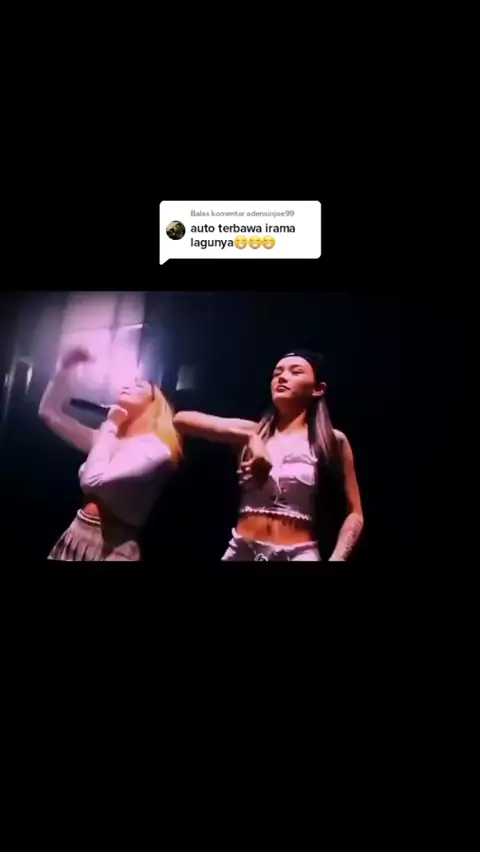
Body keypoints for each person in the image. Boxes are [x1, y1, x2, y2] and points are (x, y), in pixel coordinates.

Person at [174, 350, 363, 562]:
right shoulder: (254, 432)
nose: (282, 377)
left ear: (318, 389)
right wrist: (251, 438)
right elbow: (181, 420)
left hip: (298, 555)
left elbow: (354, 512)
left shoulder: (332, 439)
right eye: (277, 373)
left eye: (295, 372)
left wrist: (338, 558)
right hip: (242, 551)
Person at [39, 346, 182, 561]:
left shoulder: (156, 448)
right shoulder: (109, 439)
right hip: (77, 530)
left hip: (113, 546)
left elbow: (92, 481)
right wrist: (65, 369)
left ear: (154, 405)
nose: (127, 386)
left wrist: (112, 424)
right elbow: (49, 413)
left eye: (138, 386)